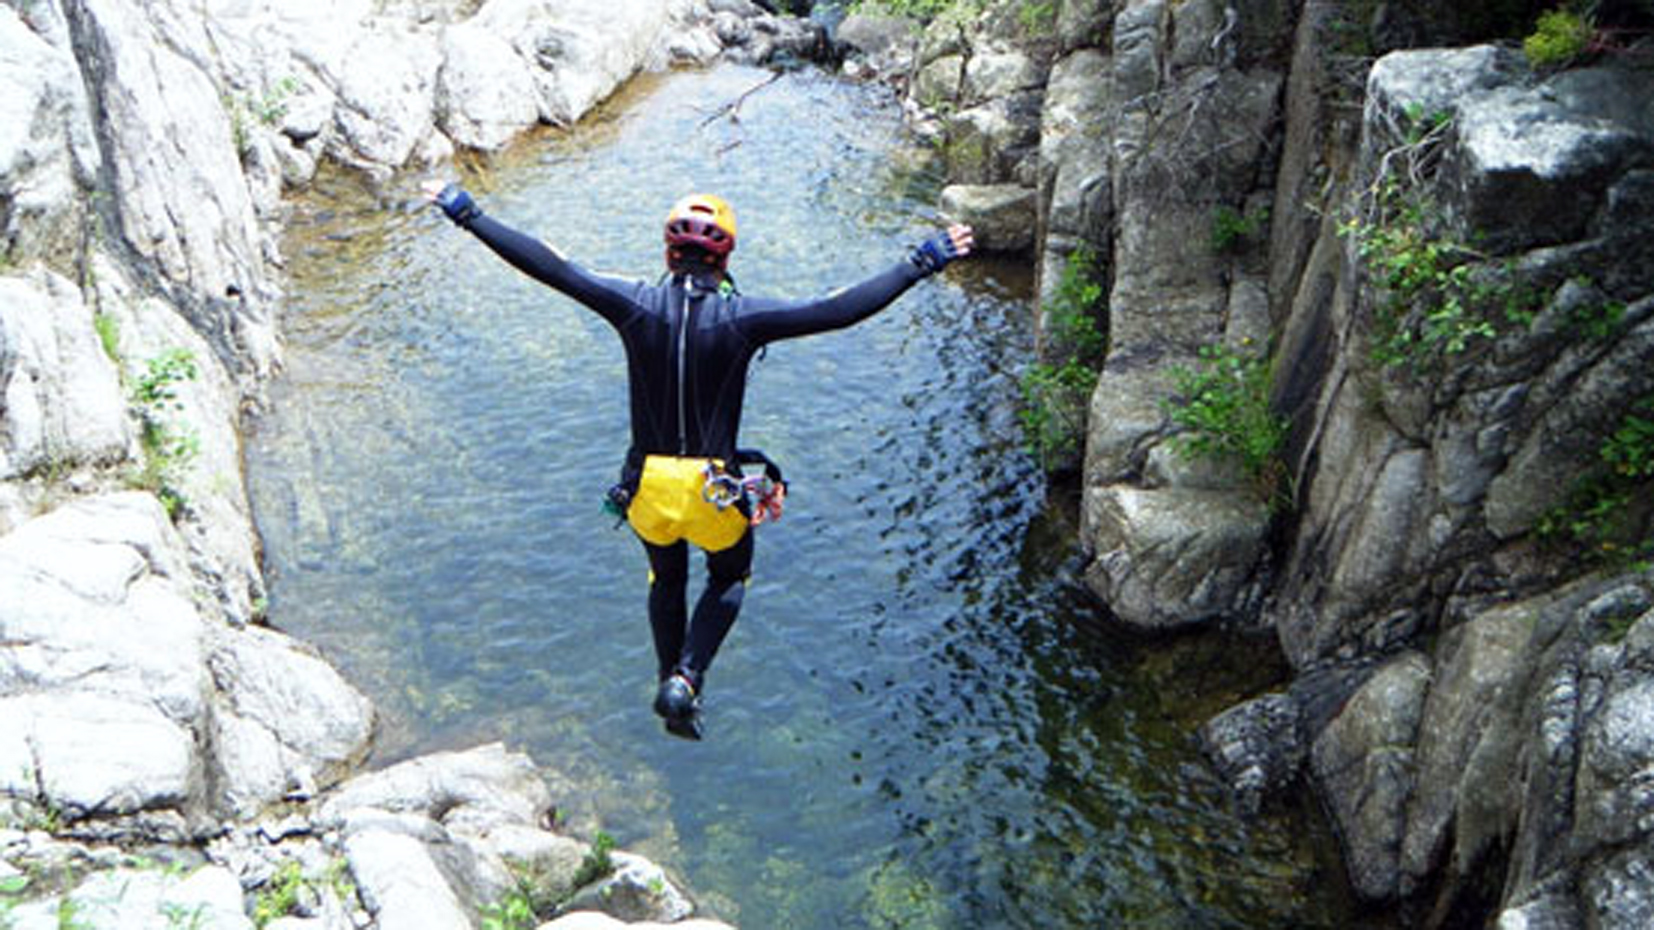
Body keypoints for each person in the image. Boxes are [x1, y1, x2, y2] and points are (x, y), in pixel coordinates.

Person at [423, 179, 974, 739]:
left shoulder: (632, 303)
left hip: (647, 487)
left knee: (666, 579)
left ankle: (669, 677)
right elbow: (836, 309)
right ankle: (688, 676)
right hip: (711, 487)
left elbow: (554, 268)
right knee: (730, 576)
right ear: (726, 256)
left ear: (668, 254)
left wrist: (469, 214)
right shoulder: (745, 319)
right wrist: (921, 261)